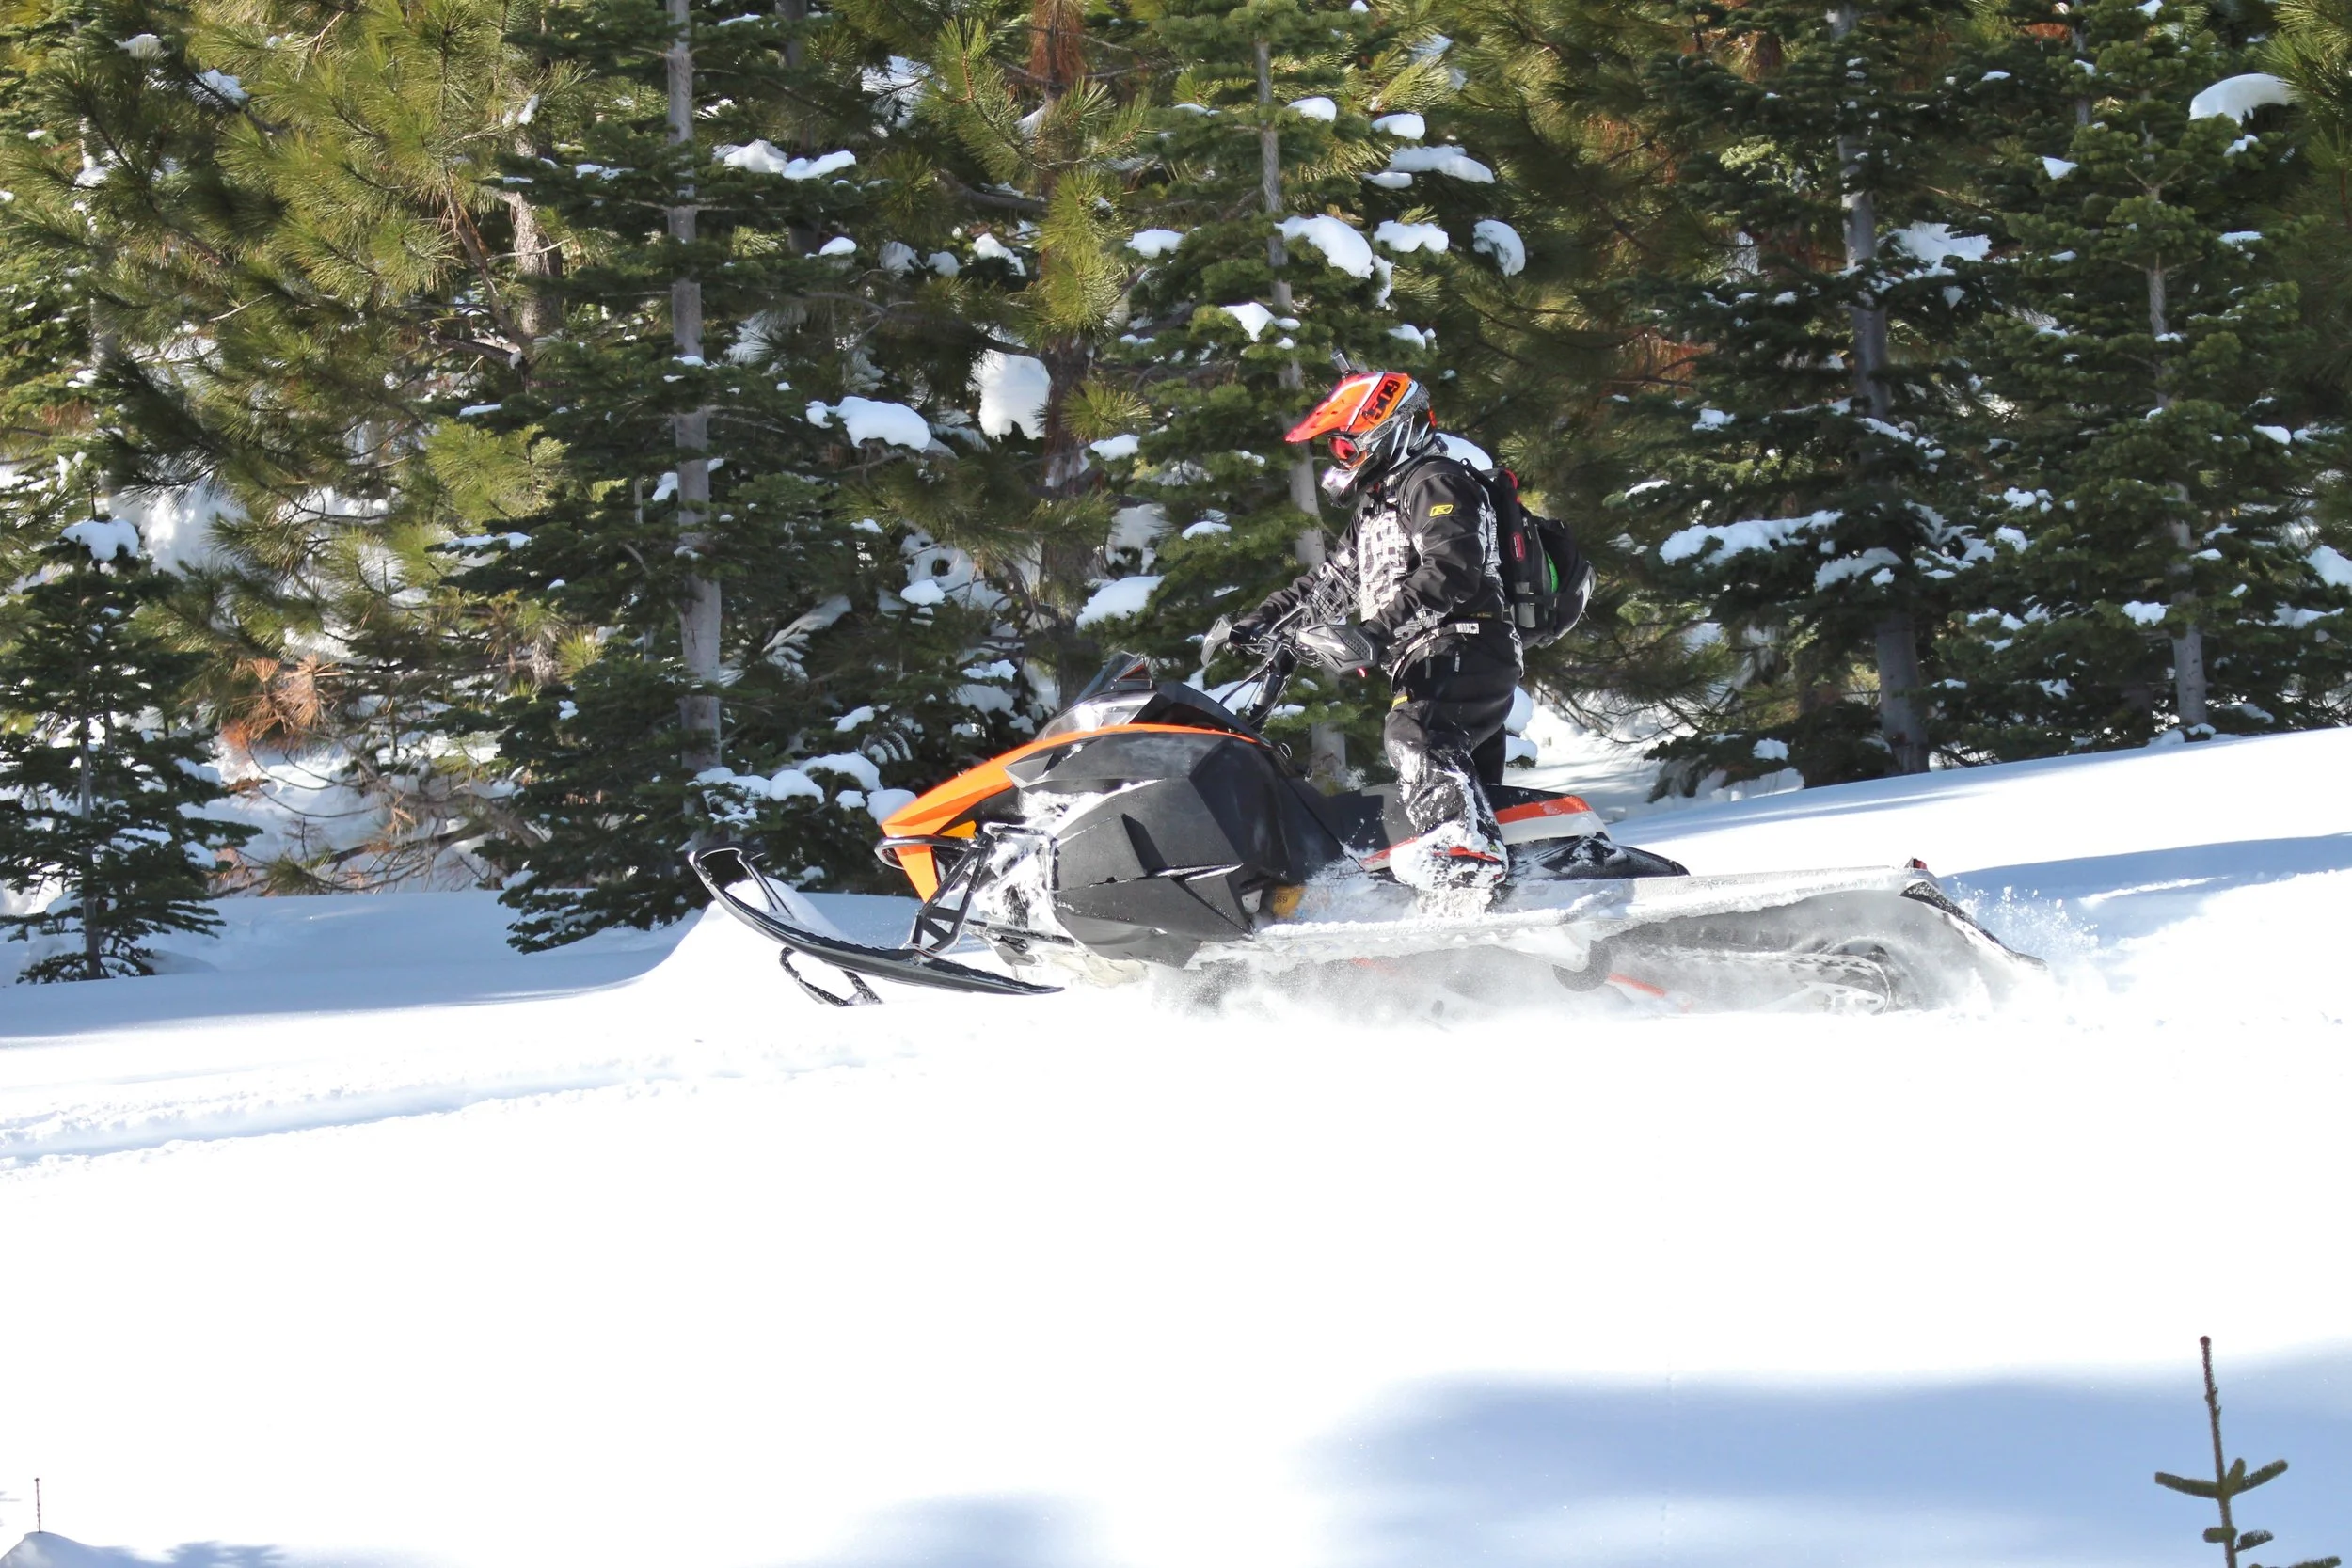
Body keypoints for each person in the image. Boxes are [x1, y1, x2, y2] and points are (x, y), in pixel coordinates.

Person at [1212, 371, 1521, 907]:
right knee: (1468, 784)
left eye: (1344, 445)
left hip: (1466, 642)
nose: (1340, 459)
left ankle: (1465, 855)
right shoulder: (1378, 507)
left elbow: (1451, 568)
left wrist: (1375, 631)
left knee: (1415, 732)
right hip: (1427, 656)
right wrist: (1260, 622)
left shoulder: (1435, 481)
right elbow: (1330, 583)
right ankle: (1496, 895)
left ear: (1387, 431)